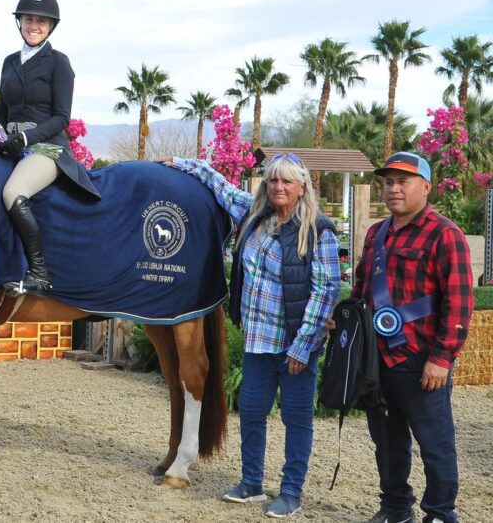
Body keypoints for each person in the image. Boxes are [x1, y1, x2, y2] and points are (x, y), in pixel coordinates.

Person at [168, 153, 340, 518]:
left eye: (286, 181)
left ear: (302, 187)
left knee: (296, 420)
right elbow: (220, 186)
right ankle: (251, 484)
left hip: (295, 344)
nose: (278, 187)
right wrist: (179, 163)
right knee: (251, 412)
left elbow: (326, 290)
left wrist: (304, 345)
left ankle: (291, 491)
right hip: (258, 340)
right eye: (272, 181)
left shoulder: (318, 229)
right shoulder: (254, 214)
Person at [350, 152, 472, 523]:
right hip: (377, 360)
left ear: (426, 187)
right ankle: (395, 509)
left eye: (403, 181)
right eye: (388, 181)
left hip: (421, 362)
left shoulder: (445, 234)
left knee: (435, 444)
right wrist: (347, 322)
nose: (394, 188)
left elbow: (459, 301)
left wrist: (442, 358)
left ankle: (439, 512)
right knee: (387, 444)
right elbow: (362, 288)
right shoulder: (376, 233)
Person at [0, 0, 101, 295]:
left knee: (13, 192)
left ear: (50, 26)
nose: (34, 25)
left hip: (47, 149)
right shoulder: (9, 62)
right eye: (29, 19)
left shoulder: (59, 63)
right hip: (11, 146)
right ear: (21, 22)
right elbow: (2, 113)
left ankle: (40, 274)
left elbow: (61, 117)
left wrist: (26, 137)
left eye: (41, 21)